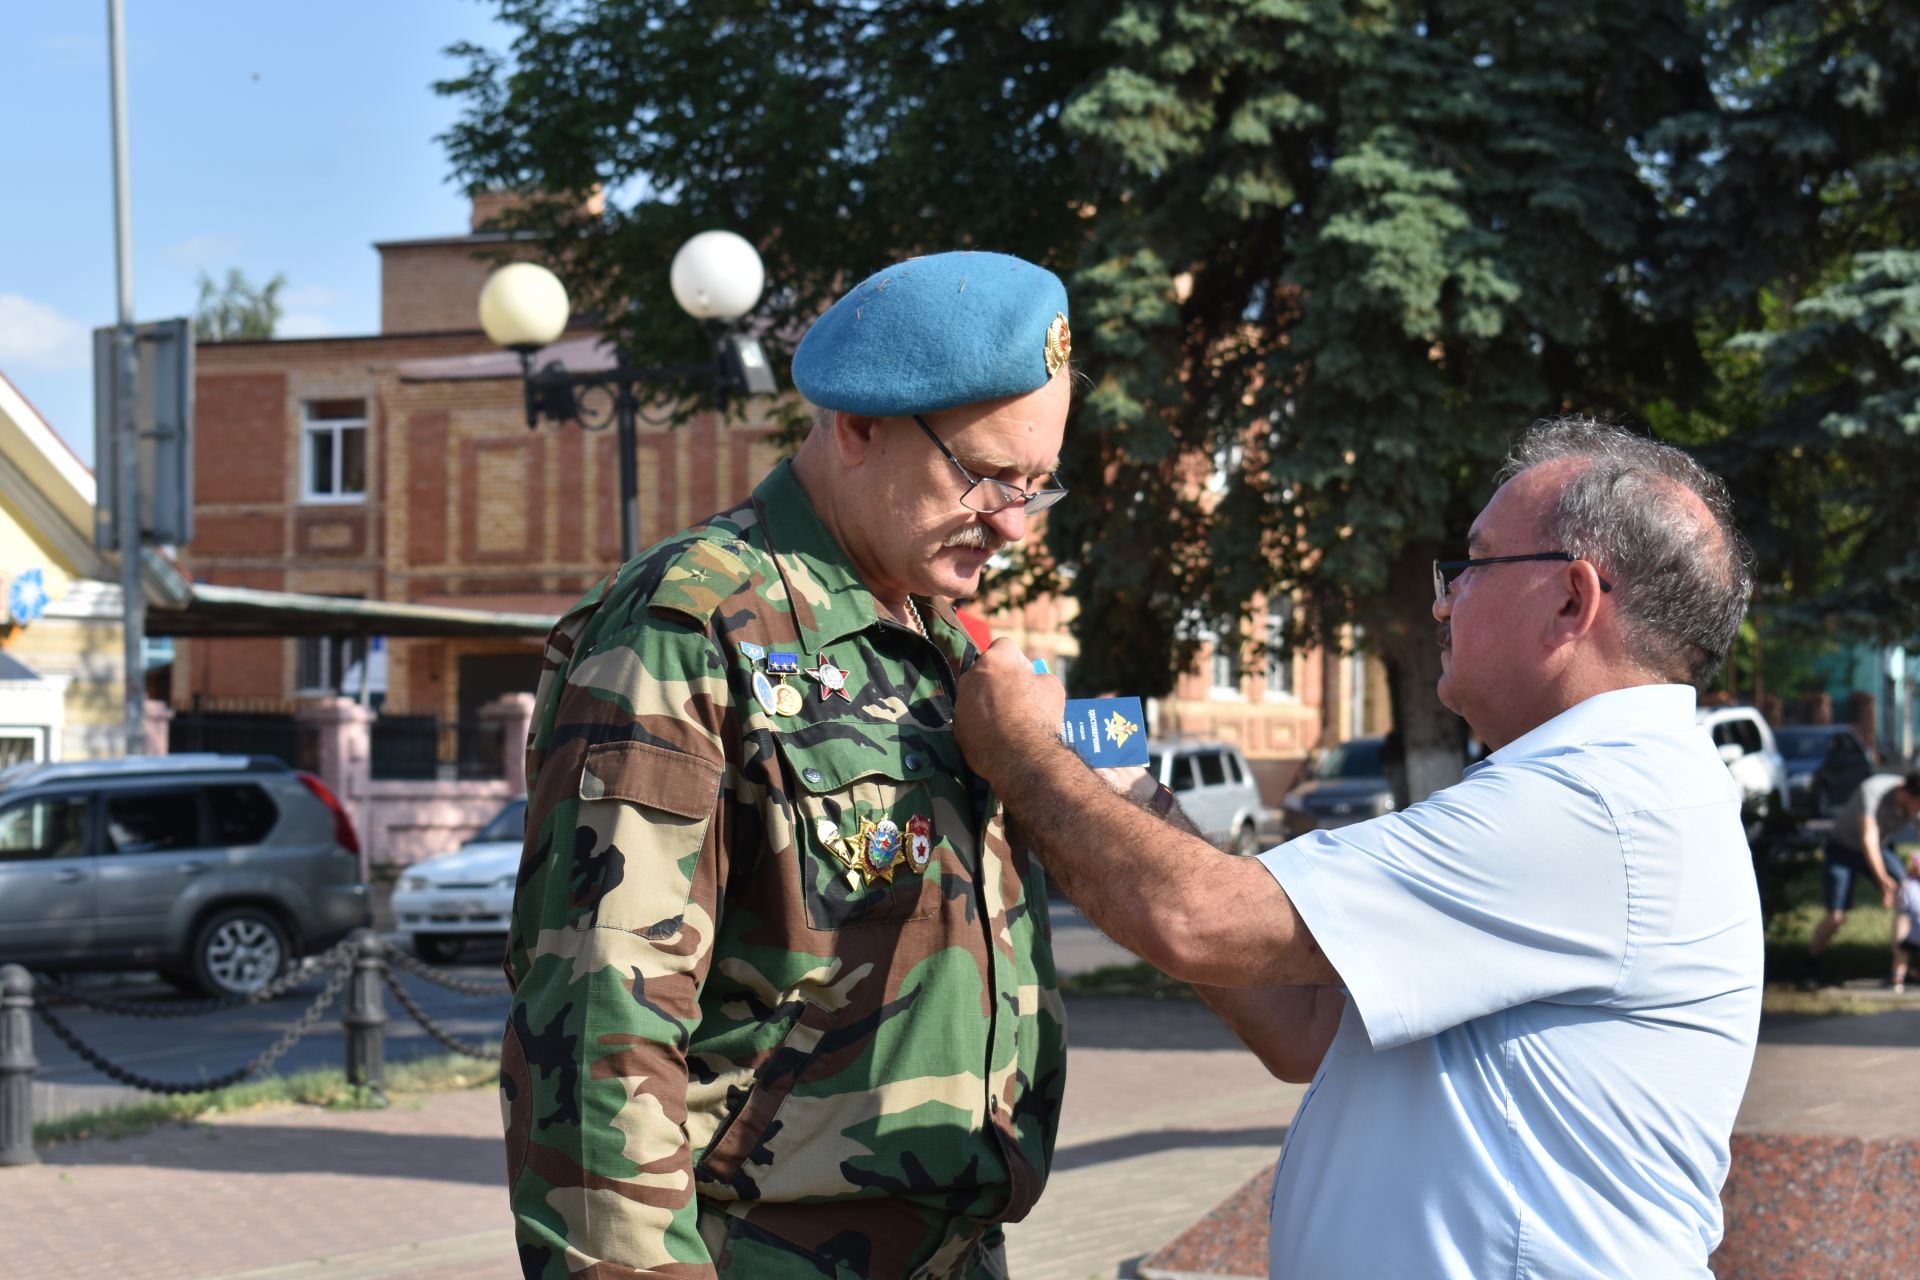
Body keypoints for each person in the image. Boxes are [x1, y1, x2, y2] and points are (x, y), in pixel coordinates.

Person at [953, 418, 1764, 1279]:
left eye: (1472, 567)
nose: (1441, 601)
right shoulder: (1614, 788)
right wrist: (1132, 795)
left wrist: (1019, 748)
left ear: (1572, 598)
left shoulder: (1595, 804)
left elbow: (1197, 919)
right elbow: (1304, 1025)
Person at [502, 250, 1074, 1279]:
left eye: (1037, 484)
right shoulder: (690, 626)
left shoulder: (941, 648)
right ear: (858, 427)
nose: (1014, 523)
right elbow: (598, 1023)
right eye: (987, 476)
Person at [1806, 770, 1920, 986]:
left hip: (1882, 848)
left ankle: (1899, 972)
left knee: (1906, 898)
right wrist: (1882, 880)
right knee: (1836, 917)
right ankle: (1811, 966)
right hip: (1843, 849)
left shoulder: (1914, 801)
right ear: (1907, 794)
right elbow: (1868, 838)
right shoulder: (1874, 789)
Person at [1892, 850, 1920, 993]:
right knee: (1902, 953)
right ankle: (1898, 979)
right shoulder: (1909, 887)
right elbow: (1902, 911)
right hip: (1912, 931)